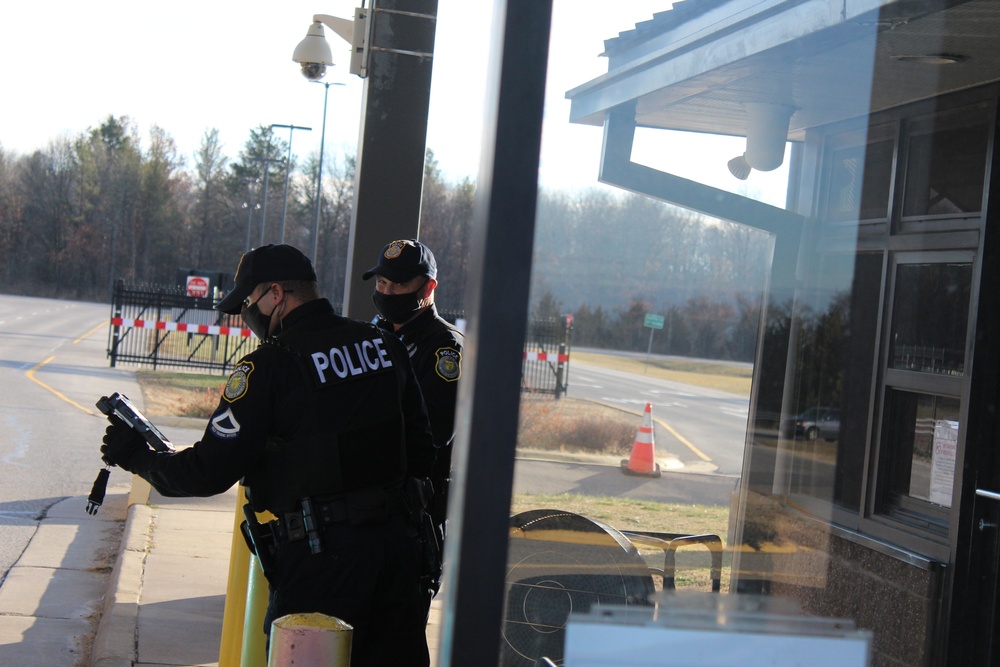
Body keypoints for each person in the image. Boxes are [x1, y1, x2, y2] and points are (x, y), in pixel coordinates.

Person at [100, 244, 436, 666]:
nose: (247, 315)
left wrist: (137, 458)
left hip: (321, 562)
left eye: (247, 303)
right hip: (400, 554)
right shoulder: (383, 345)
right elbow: (423, 453)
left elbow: (206, 473)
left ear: (275, 293)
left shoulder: (268, 368)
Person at [362, 239, 464, 597]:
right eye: (381, 283)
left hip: (414, 515)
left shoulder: (444, 348)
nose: (387, 292)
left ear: (428, 287)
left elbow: (431, 431)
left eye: (399, 285)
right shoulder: (376, 333)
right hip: (368, 511)